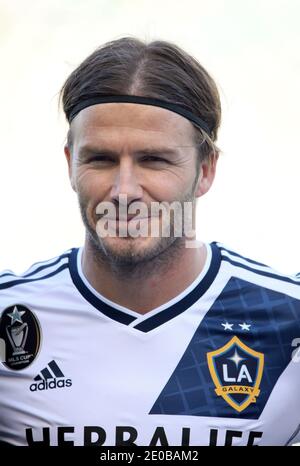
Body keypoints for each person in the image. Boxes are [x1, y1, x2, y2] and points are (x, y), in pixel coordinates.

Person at [0, 36, 299, 447]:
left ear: (206, 169)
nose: (124, 191)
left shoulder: (288, 320)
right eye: (100, 159)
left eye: (154, 160)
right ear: (70, 164)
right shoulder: (10, 316)